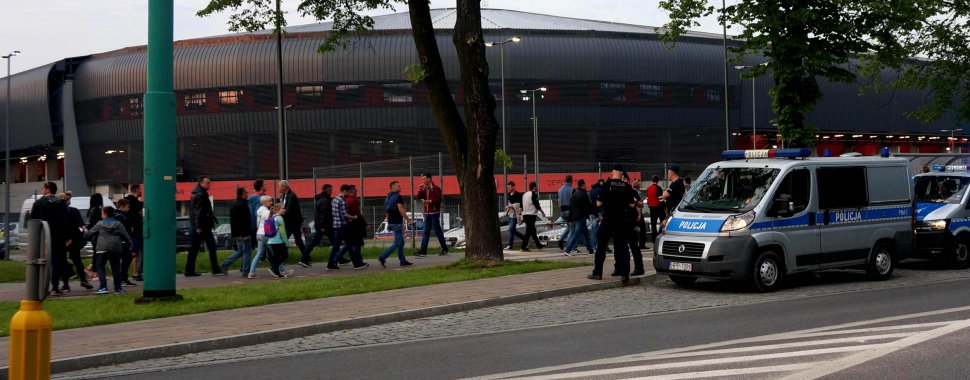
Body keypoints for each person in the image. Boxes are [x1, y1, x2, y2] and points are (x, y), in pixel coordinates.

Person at [589, 165, 636, 284]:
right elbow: (631, 205)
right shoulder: (626, 186)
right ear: (622, 174)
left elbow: (599, 203)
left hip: (608, 218)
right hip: (621, 219)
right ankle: (625, 274)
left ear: (612, 172)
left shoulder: (606, 185)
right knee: (623, 246)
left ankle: (598, 272)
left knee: (601, 245)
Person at [31, 182, 72, 296]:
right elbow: (65, 221)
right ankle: (55, 286)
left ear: (47, 189)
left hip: (43, 236)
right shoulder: (61, 203)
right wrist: (67, 236)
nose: (42, 190)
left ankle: (42, 287)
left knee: (42, 261)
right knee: (58, 261)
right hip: (58, 236)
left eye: (43, 188)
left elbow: (34, 221)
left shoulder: (38, 203)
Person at [85, 206, 131, 295]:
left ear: (105, 214)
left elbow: (90, 234)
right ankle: (118, 288)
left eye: (102, 213)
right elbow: (126, 235)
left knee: (100, 267)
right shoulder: (118, 224)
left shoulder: (100, 223)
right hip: (116, 248)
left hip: (102, 248)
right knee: (116, 268)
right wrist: (130, 243)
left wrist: (85, 234)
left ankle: (103, 287)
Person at [186, 176, 224, 276]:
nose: (209, 184)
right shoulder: (200, 195)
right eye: (208, 183)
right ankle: (214, 268)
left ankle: (190, 270)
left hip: (201, 225)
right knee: (207, 247)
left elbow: (194, 211)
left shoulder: (196, 193)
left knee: (196, 248)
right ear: (201, 183)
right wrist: (198, 226)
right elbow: (198, 211)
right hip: (202, 226)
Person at [61, 192, 93, 290]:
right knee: (77, 259)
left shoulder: (58, 212)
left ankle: (66, 283)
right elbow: (80, 222)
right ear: (66, 200)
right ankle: (83, 280)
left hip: (62, 237)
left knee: (62, 260)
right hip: (74, 237)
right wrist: (85, 230)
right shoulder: (73, 210)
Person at [379, 181, 413, 267]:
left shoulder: (388, 197)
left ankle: (403, 260)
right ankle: (383, 256)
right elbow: (401, 209)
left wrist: (389, 223)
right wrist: (409, 220)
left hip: (391, 222)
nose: (400, 187)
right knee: (397, 243)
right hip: (397, 222)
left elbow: (387, 211)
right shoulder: (398, 197)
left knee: (401, 242)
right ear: (393, 187)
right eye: (398, 186)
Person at [220, 187, 253, 277]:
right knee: (246, 252)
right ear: (242, 194)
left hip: (236, 233)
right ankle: (245, 271)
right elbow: (244, 221)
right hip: (243, 233)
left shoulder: (234, 204)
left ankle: (228, 265)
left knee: (241, 251)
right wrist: (246, 234)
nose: (247, 194)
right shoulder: (243, 205)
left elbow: (234, 220)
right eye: (246, 192)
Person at [302, 184, 336, 264]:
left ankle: (303, 259)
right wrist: (322, 226)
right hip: (324, 226)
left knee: (333, 242)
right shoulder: (324, 200)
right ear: (325, 190)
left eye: (331, 189)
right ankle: (303, 259)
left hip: (323, 225)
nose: (331, 191)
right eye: (329, 190)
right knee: (335, 242)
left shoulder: (323, 199)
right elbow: (322, 214)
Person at [416, 173, 447, 256]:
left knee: (437, 231)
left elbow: (439, 200)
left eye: (424, 179)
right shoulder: (425, 189)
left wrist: (429, 201)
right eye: (422, 179)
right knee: (425, 232)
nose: (423, 181)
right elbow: (419, 197)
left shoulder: (436, 188)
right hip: (427, 213)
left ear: (429, 179)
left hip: (434, 213)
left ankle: (444, 248)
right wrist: (419, 190)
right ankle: (423, 251)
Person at [278, 180, 307, 266]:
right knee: (298, 240)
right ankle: (306, 258)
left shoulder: (291, 196)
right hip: (292, 222)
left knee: (284, 239)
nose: (278, 188)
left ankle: (281, 258)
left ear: (284, 187)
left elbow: (288, 210)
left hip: (292, 223)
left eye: (279, 186)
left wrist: (280, 213)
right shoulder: (287, 195)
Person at [623, 173, 646, 276]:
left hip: (629, 220)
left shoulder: (632, 192)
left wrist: (638, 214)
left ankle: (639, 268)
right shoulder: (617, 191)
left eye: (624, 179)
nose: (622, 181)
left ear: (628, 180)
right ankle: (619, 268)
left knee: (633, 245)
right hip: (620, 220)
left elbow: (640, 204)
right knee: (620, 246)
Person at [564, 179, 594, 255]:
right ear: (583, 185)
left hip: (576, 217)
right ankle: (568, 250)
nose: (586, 186)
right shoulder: (584, 194)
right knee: (576, 234)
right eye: (585, 184)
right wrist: (595, 214)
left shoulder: (574, 194)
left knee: (586, 234)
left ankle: (590, 250)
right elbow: (589, 206)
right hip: (582, 217)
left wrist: (570, 218)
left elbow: (571, 207)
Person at [248, 195, 274, 279]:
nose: (271, 202)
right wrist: (271, 234)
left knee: (259, 253)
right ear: (265, 202)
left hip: (259, 233)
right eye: (270, 201)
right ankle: (281, 270)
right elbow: (269, 224)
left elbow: (258, 223)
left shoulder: (259, 210)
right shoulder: (267, 212)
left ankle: (251, 272)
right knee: (275, 252)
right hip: (265, 234)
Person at [266, 204, 295, 278]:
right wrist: (286, 242)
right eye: (283, 208)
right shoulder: (279, 218)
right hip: (278, 240)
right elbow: (282, 231)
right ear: (277, 209)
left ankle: (277, 272)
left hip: (271, 240)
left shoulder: (272, 216)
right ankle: (274, 268)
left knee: (276, 256)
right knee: (284, 255)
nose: (284, 210)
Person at [114, 199, 137, 287]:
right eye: (127, 207)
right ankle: (123, 278)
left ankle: (122, 278)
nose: (128, 209)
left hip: (118, 241)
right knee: (127, 258)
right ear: (122, 207)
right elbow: (125, 229)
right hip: (122, 241)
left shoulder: (115, 214)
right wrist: (130, 229)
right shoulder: (121, 216)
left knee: (124, 259)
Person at [345, 186, 370, 269]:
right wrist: (365, 224)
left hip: (350, 225)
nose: (357, 191)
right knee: (357, 244)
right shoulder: (353, 200)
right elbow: (358, 214)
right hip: (355, 226)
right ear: (352, 191)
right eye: (355, 190)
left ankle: (336, 259)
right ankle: (358, 261)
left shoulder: (347, 200)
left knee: (350, 244)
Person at [125, 184, 145, 281]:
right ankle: (136, 272)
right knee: (137, 252)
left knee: (135, 251)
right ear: (136, 190)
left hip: (130, 230)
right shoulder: (137, 203)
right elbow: (140, 214)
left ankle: (136, 272)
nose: (141, 191)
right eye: (140, 189)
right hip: (136, 230)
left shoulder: (126, 200)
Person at [520, 182, 546, 252]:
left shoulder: (525, 194)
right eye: (536, 186)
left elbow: (521, 205)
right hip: (531, 215)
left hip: (525, 215)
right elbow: (537, 205)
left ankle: (538, 245)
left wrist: (520, 213)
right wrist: (543, 212)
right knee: (529, 231)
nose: (537, 188)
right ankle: (523, 246)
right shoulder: (534, 194)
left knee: (532, 230)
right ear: (534, 187)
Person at [504, 181, 526, 250]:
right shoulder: (509, 194)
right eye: (507, 187)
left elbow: (519, 205)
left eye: (509, 187)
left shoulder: (518, 195)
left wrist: (519, 212)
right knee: (512, 230)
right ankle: (525, 238)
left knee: (510, 229)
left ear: (514, 187)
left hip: (515, 215)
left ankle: (510, 245)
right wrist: (506, 213)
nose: (508, 188)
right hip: (510, 214)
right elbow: (509, 204)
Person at [556, 175, 575, 251]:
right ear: (571, 181)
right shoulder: (572, 189)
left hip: (562, 211)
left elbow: (558, 201)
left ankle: (561, 240)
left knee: (569, 226)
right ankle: (569, 246)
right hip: (569, 211)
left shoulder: (560, 189)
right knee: (572, 229)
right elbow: (574, 201)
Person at [646, 175, 666, 243]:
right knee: (663, 222)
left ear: (652, 180)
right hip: (659, 207)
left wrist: (649, 205)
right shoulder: (658, 188)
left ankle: (653, 239)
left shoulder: (648, 188)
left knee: (653, 224)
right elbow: (660, 199)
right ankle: (660, 235)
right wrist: (664, 206)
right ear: (658, 181)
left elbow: (648, 199)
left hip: (652, 208)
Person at [247, 179, 266, 248]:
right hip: (259, 226)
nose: (266, 186)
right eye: (264, 185)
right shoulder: (261, 199)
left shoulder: (250, 198)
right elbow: (258, 213)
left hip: (251, 225)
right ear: (261, 187)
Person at [632, 180, 649, 249]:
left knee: (633, 229)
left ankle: (633, 243)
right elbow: (639, 204)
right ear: (639, 186)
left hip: (631, 213)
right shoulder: (639, 193)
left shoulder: (630, 192)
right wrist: (639, 214)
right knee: (642, 229)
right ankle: (642, 244)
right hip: (637, 213)